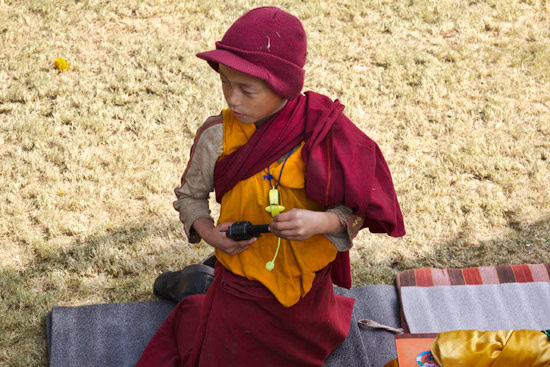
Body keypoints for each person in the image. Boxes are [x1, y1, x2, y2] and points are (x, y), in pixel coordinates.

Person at [137, 6, 405, 367]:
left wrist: (320, 223)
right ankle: (199, 283)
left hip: (305, 291)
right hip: (241, 284)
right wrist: (209, 233)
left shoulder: (323, 134)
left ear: (283, 86)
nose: (232, 99)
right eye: (225, 83)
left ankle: (198, 282)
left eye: (246, 89)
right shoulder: (217, 136)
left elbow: (358, 210)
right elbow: (190, 197)